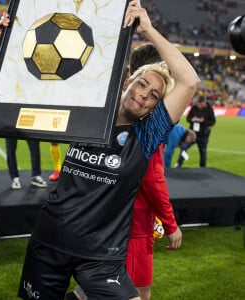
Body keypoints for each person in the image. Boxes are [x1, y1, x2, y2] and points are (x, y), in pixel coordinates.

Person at [0, 2, 199, 299]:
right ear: (128, 81)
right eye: (142, 84)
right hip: (50, 238)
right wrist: (11, 37)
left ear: (156, 109)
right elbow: (32, 83)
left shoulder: (145, 136)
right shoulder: (89, 109)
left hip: (101, 255)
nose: (144, 94)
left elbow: (190, 81)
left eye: (154, 95)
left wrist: (148, 29)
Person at [65, 43, 183, 300]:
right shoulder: (146, 127)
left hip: (99, 215)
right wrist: (171, 224)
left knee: (96, 283)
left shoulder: (109, 111)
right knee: (139, 290)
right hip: (133, 220)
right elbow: (153, 180)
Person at [186, 95, 216, 167]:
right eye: (198, 104)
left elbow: (213, 122)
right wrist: (191, 120)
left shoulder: (209, 109)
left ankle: (203, 168)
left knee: (203, 152)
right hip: (193, 134)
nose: (198, 105)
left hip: (203, 135)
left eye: (200, 104)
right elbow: (188, 118)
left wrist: (203, 121)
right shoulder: (194, 108)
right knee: (184, 147)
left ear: (204, 103)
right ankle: (179, 164)